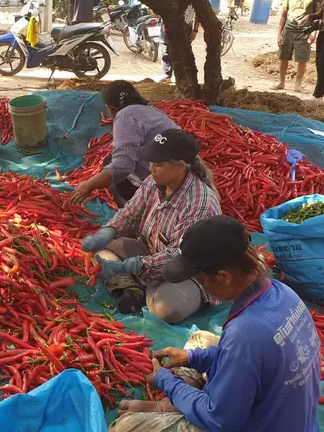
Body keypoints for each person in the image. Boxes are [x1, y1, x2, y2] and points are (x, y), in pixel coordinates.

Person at [108, 216, 320, 432]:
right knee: (198, 342)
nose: (197, 283)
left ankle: (170, 406)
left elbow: (221, 420)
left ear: (223, 277)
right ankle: (168, 408)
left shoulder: (245, 333)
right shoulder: (282, 293)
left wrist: (165, 381)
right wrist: (191, 359)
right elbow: (247, 359)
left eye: (198, 277)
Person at [81, 129, 221, 322]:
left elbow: (177, 257)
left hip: (187, 273)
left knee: (167, 309)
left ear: (179, 166)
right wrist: (108, 231)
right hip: (151, 252)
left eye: (158, 164)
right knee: (101, 252)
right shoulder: (155, 182)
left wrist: (134, 265)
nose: (151, 168)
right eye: (151, 163)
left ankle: (136, 285)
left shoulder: (198, 206)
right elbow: (130, 213)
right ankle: (136, 288)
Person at [72, 81, 178, 207]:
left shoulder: (125, 115)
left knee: (114, 169)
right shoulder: (154, 111)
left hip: (166, 186)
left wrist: (88, 185)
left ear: (111, 107)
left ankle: (132, 211)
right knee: (111, 161)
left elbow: (122, 166)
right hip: (182, 176)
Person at [273, 0, 321, 92]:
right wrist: (279, 33)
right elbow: (283, 15)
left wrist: (314, 33)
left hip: (305, 32)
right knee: (283, 57)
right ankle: (281, 83)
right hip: (288, 30)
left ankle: (298, 85)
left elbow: (318, 14)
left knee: (302, 59)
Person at [161, 0, 200, 83]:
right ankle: (167, 75)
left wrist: (195, 30)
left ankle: (183, 78)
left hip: (187, 25)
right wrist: (166, 25)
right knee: (167, 50)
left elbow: (199, 13)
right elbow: (166, 9)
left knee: (184, 51)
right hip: (172, 23)